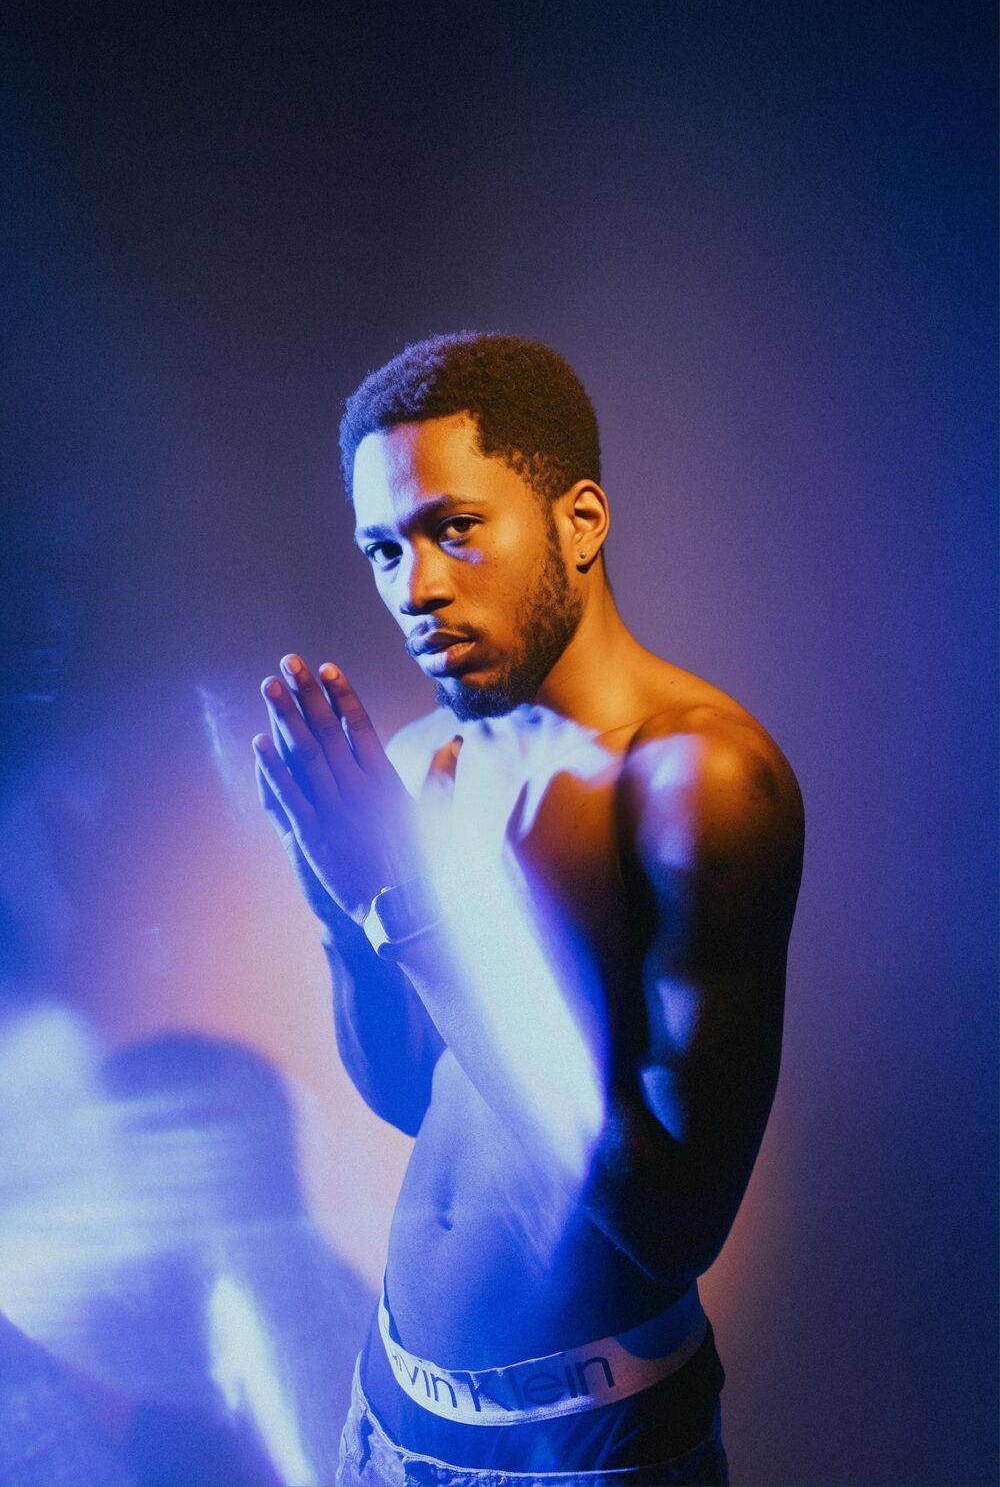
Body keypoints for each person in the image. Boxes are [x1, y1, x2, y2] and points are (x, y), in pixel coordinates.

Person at [252, 331, 805, 1486]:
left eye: (454, 527)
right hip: (387, 1414)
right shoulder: (428, 761)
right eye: (383, 549)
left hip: (586, 1452)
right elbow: (417, 1094)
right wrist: (336, 906)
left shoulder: (696, 781)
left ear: (579, 522)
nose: (416, 587)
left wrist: (398, 901)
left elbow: (671, 1225)